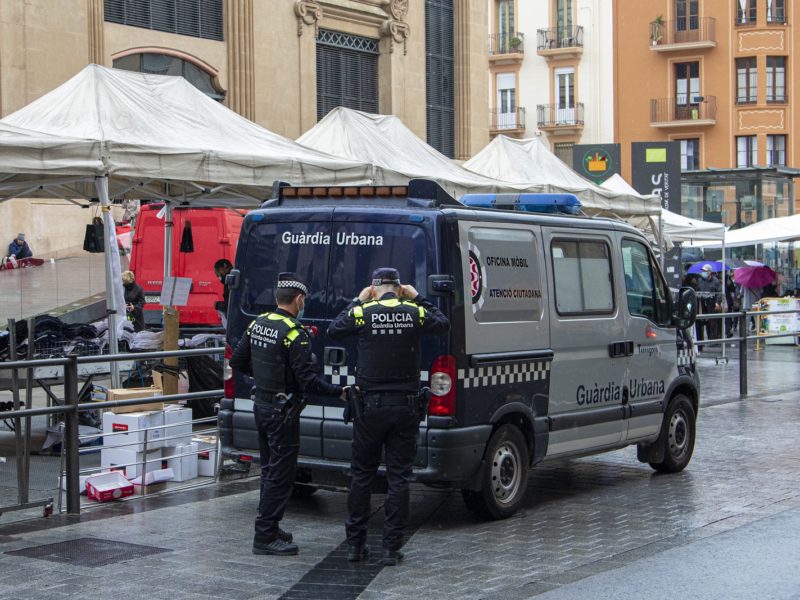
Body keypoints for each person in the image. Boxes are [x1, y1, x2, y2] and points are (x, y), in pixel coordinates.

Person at [328, 267, 450, 566]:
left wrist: (357, 300)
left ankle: (355, 546)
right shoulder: (413, 311)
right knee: (399, 479)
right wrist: (418, 296)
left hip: (370, 408)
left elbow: (334, 329)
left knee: (361, 477)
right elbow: (443, 323)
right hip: (405, 408)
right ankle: (390, 549)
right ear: (399, 287)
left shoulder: (363, 312)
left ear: (373, 287)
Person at [229, 273, 346, 556]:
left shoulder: (258, 323)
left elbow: (237, 361)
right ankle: (265, 536)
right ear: (299, 299)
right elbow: (309, 382)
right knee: (280, 476)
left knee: (269, 471)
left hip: (262, 407)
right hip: (283, 414)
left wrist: (268, 380)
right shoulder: (295, 333)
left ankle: (269, 526)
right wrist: (338, 392)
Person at [696, 264, 722, 346]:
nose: (703, 272)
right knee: (701, 321)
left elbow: (719, 293)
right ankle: (701, 342)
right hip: (702, 304)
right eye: (702, 271)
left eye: (705, 271)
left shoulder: (715, 281)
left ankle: (713, 340)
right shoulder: (700, 280)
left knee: (713, 322)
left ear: (710, 272)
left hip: (712, 303)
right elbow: (697, 290)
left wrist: (717, 302)